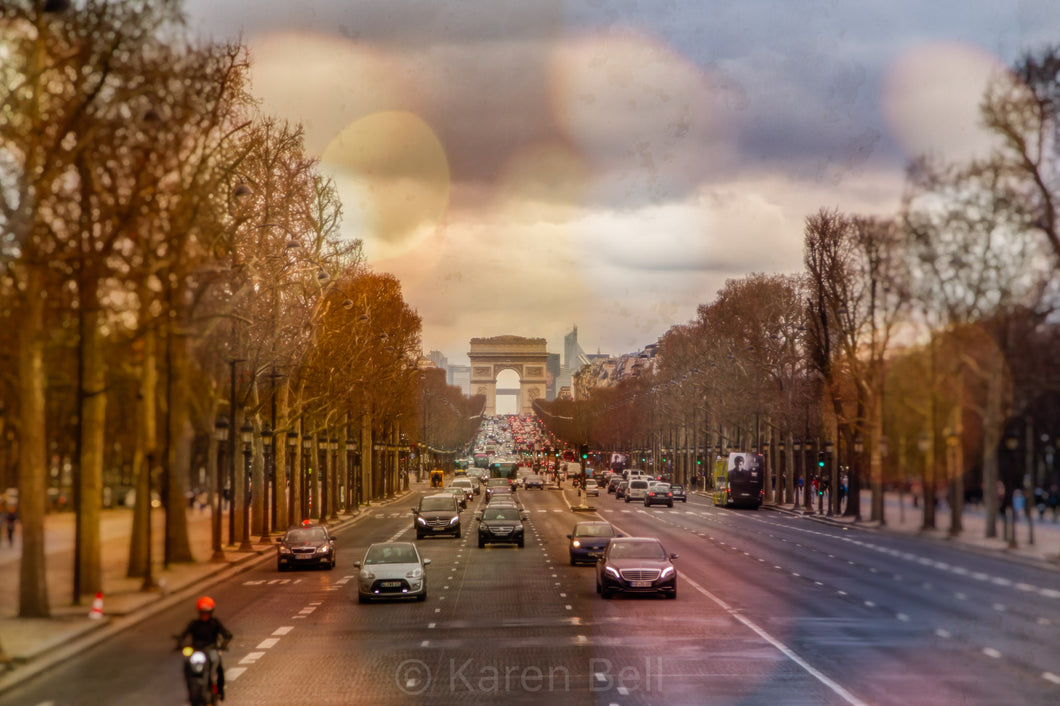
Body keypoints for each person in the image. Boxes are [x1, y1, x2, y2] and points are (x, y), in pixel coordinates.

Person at [179, 596, 233, 701]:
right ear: (199, 613)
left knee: (218, 666)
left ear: (211, 612)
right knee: (187, 664)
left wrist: (223, 644)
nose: (205, 615)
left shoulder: (215, 623)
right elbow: (184, 635)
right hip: (196, 650)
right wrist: (180, 643)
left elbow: (226, 634)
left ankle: (220, 691)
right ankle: (190, 686)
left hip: (211, 649)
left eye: (207, 613)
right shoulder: (194, 624)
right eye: (202, 613)